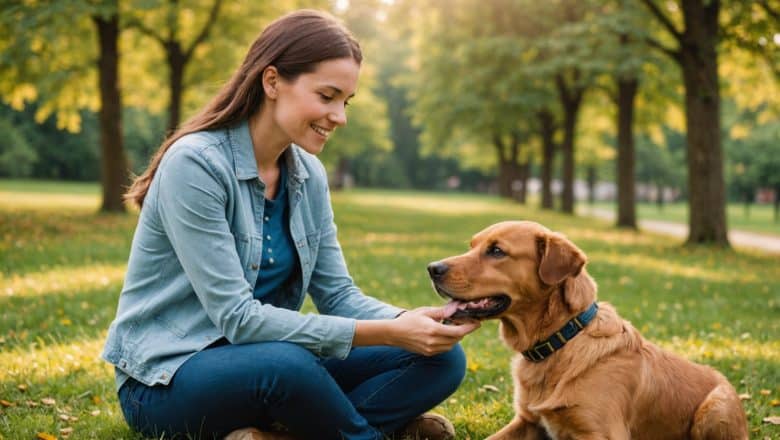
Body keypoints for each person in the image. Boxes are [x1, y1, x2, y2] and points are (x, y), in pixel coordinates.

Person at [102, 9, 480, 440]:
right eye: (327, 96)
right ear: (272, 82)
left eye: (346, 101)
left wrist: (409, 322)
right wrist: (389, 331)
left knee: (440, 360)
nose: (339, 116)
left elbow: (337, 294)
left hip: (268, 363)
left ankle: (283, 434)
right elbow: (239, 319)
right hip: (167, 381)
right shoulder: (196, 164)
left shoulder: (308, 174)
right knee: (289, 366)